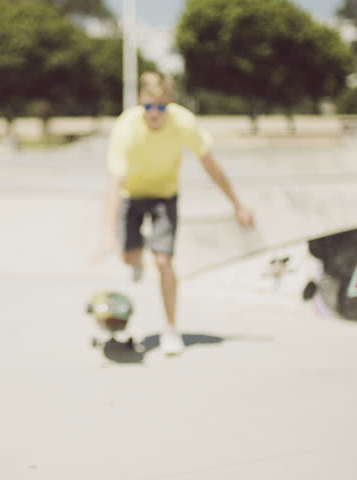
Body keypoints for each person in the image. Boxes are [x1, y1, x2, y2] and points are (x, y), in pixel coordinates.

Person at [100, 71, 255, 355]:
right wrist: (110, 233)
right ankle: (136, 254)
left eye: (161, 106)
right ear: (140, 102)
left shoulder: (183, 122)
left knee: (163, 262)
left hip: (164, 198)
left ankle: (171, 330)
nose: (154, 114)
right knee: (130, 256)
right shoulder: (125, 128)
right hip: (131, 197)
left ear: (169, 102)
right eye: (148, 106)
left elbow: (211, 166)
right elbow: (114, 182)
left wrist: (238, 204)